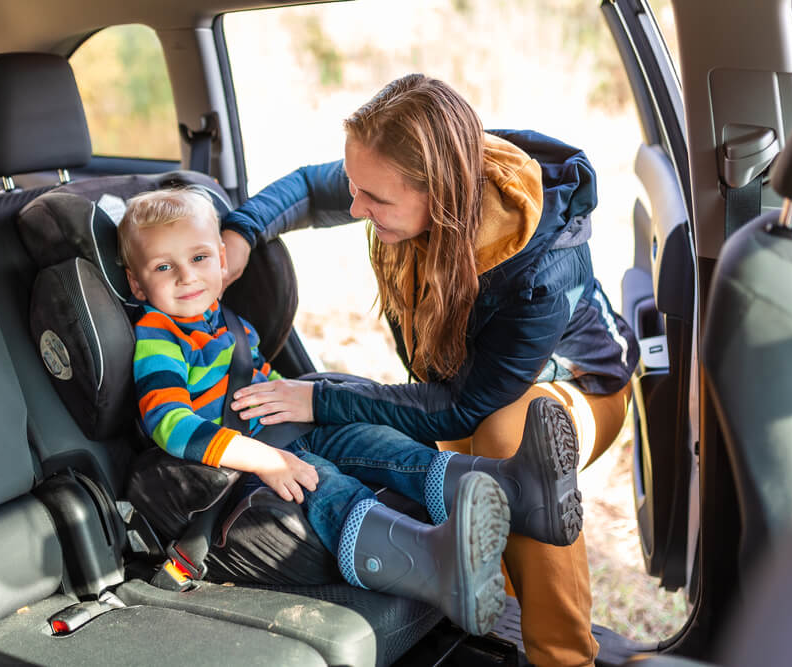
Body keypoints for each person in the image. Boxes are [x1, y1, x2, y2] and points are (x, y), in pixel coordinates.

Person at [222, 74, 640, 666]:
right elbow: (305, 191)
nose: (355, 208)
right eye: (354, 186)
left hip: (582, 390)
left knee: (506, 436)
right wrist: (241, 233)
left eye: (376, 200)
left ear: (440, 195)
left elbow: (463, 406)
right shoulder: (404, 177)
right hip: (471, 394)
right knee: (443, 452)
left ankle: (564, 658)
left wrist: (321, 401)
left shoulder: (541, 267)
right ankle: (496, 627)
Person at [118, 185, 583, 636]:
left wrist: (303, 404)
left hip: (285, 429)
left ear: (222, 259)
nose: (186, 276)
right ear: (138, 283)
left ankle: (519, 493)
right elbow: (169, 422)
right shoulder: (159, 335)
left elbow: (261, 383)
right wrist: (264, 459)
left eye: (199, 258)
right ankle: (433, 565)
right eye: (164, 267)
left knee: (380, 444)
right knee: (327, 485)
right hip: (244, 462)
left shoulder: (229, 322)